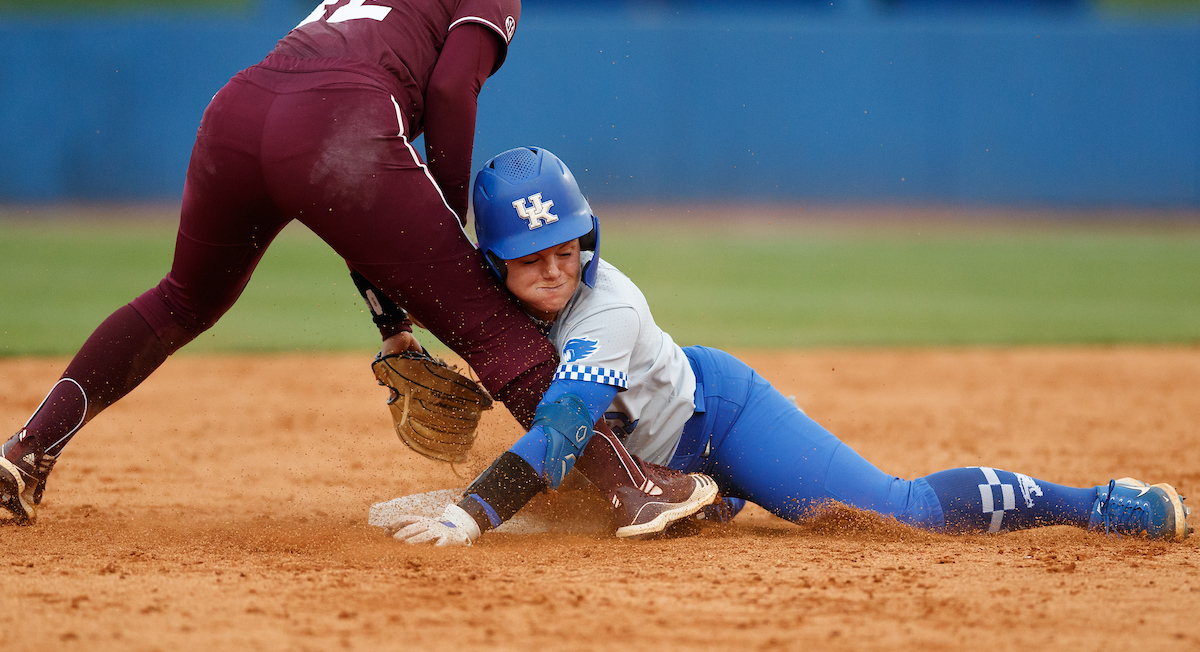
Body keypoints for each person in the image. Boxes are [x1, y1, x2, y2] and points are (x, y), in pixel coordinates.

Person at [2, 0, 559, 524]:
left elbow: (360, 201)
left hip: (238, 116)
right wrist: (452, 224)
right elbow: (451, 90)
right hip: (333, 120)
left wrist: (393, 326)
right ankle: (620, 482)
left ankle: (26, 450)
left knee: (183, 300)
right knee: (490, 326)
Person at [387, 146, 1193, 546]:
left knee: (895, 513)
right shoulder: (490, 305)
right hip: (650, 445)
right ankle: (709, 494)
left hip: (723, 416)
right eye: (533, 257)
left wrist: (474, 512)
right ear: (495, 263)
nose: (558, 266)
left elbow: (564, 427)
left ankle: (1101, 505)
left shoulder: (609, 310)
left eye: (569, 245)